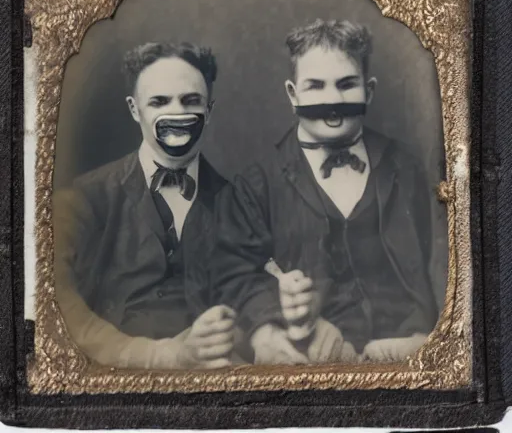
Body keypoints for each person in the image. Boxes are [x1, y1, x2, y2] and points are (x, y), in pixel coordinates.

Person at [213, 19, 439, 365]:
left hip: (407, 350)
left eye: (347, 85)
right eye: (315, 86)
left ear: (370, 90)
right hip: (317, 358)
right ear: (293, 94)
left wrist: (426, 338)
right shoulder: (256, 184)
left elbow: (438, 259)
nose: (332, 100)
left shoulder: (405, 167)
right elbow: (234, 271)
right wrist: (266, 329)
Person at [54, 42, 237, 369]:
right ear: (135, 109)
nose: (177, 113)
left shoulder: (238, 204)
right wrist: (158, 355)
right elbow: (56, 298)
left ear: (209, 110)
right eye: (159, 101)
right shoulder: (86, 197)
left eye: (190, 101)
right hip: (112, 380)